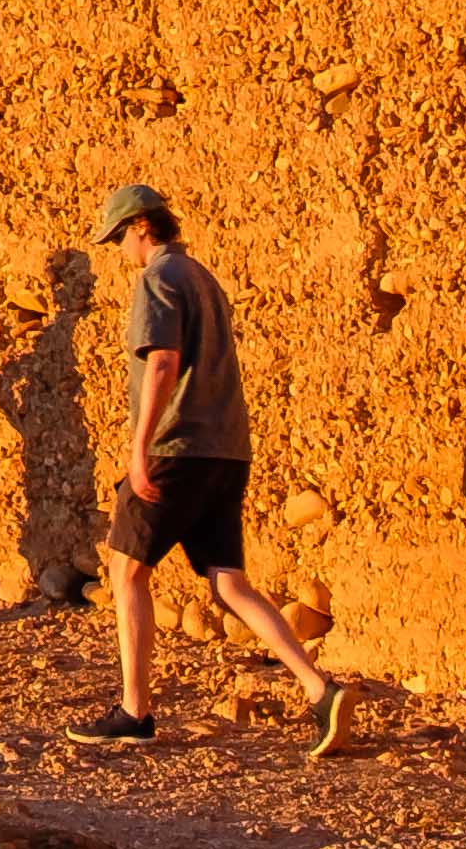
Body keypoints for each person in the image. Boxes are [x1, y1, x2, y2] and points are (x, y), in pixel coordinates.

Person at [82, 183, 356, 756]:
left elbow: (163, 362)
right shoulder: (203, 278)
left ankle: (134, 710)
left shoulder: (158, 278)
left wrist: (139, 448)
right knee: (228, 582)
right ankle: (318, 689)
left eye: (119, 238)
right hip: (227, 450)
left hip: (176, 447)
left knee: (126, 569)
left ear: (141, 227)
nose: (120, 251)